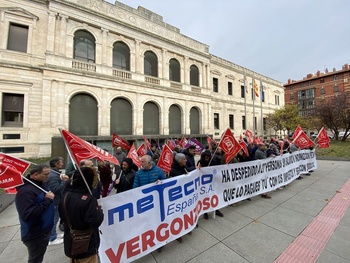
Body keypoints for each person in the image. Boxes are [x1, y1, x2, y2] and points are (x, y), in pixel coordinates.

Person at [59, 166, 104, 262]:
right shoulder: (89, 200)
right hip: (87, 244)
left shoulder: (66, 196)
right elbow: (95, 222)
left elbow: (62, 216)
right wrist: (99, 211)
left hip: (71, 242)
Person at [15, 164, 55, 263]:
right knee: (35, 259)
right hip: (36, 234)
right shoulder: (25, 192)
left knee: (39, 257)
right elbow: (27, 214)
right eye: (45, 174)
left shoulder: (41, 184)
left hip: (45, 229)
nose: (48, 176)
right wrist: (47, 201)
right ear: (35, 174)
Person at [133, 155, 166, 251]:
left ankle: (160, 242)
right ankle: (149, 240)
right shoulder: (139, 173)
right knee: (148, 222)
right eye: (141, 161)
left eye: (143, 162)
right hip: (145, 202)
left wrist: (161, 182)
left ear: (149, 163)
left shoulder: (158, 170)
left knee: (158, 221)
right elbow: (135, 187)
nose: (140, 164)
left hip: (157, 201)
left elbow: (165, 181)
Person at [46, 157, 69, 246]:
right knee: (54, 220)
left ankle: (54, 234)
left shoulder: (54, 173)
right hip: (54, 202)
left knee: (55, 219)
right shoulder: (52, 176)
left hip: (57, 200)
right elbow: (56, 189)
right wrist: (64, 181)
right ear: (56, 164)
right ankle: (52, 238)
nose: (62, 164)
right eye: (61, 163)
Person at [197, 150, 224, 218]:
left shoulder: (213, 161)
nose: (206, 157)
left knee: (214, 196)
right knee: (205, 197)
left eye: (207, 156)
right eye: (205, 156)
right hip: (204, 183)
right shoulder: (200, 162)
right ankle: (205, 212)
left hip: (212, 182)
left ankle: (216, 210)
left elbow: (217, 170)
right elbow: (197, 170)